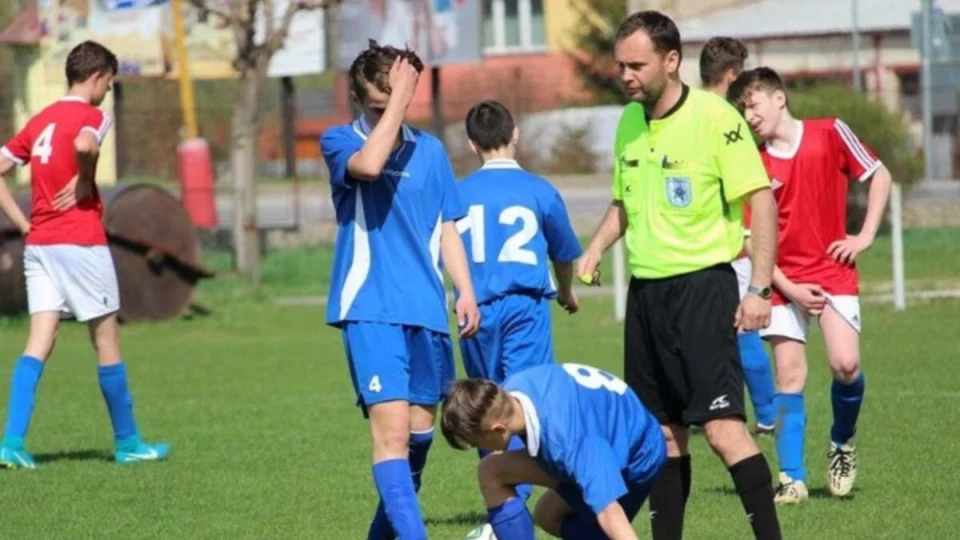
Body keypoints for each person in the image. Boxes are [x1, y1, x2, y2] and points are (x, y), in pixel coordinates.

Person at [576, 12, 782, 540]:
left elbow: (759, 200)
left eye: (637, 65)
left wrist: (759, 288)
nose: (626, 75)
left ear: (671, 61)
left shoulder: (716, 117)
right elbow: (624, 201)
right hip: (646, 295)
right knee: (662, 435)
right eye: (620, 65)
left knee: (722, 430)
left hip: (702, 289)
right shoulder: (628, 123)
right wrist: (595, 246)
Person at [320, 41, 481, 540]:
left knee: (418, 442)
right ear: (357, 99)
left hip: (427, 311)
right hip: (372, 308)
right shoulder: (339, 141)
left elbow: (447, 225)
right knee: (389, 438)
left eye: (396, 100)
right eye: (376, 104)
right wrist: (396, 105)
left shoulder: (431, 152)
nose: (387, 111)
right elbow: (369, 166)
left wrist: (466, 290)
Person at [0, 40, 170, 469]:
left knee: (39, 341)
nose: (107, 92)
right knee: (106, 339)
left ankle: (11, 443)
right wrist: (84, 180)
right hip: (80, 242)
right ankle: (128, 442)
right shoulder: (95, 115)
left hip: (38, 245)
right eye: (109, 83)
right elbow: (84, 145)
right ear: (96, 77)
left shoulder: (39, 120)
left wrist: (22, 224)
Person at [728, 67, 891, 504]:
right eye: (743, 108)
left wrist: (865, 235)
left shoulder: (831, 132)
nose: (748, 114)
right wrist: (789, 288)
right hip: (782, 280)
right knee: (790, 374)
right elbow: (750, 239)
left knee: (845, 366)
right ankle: (791, 478)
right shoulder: (755, 163)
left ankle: (842, 443)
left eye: (753, 103)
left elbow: (879, 175)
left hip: (833, 271)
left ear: (779, 98)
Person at [454, 99, 582, 502]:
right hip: (525, 308)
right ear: (515, 135)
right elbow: (563, 252)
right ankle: (513, 501)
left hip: (475, 309)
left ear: (472, 145)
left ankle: (501, 499)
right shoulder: (539, 190)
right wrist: (565, 290)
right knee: (525, 402)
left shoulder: (458, 194)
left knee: (483, 404)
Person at [440, 363, 667, 540]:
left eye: (476, 441)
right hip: (599, 439)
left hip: (636, 460)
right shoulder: (510, 392)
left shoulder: (570, 442)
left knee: (600, 523)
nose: (478, 448)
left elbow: (610, 511)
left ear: (498, 428)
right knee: (500, 476)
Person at [699, 36, 777, 434]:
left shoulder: (688, 114)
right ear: (731, 75)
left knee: (716, 334)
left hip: (700, 248)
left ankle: (704, 409)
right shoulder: (730, 123)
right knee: (744, 332)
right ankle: (765, 415)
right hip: (731, 245)